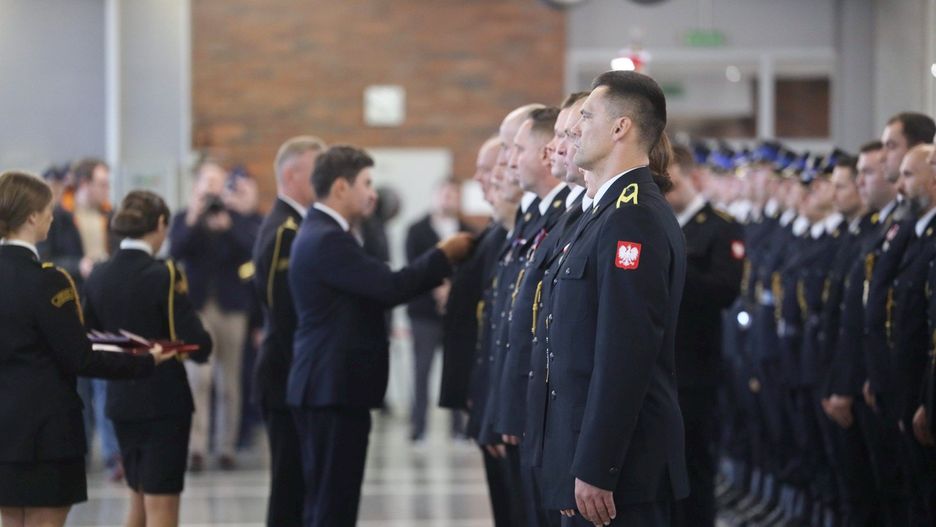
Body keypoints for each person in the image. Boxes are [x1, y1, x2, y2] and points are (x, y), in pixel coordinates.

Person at [286, 145, 473, 527]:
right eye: (366, 184)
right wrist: (444, 254)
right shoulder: (327, 238)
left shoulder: (332, 233)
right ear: (341, 187)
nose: (373, 194)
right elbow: (389, 286)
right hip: (330, 387)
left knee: (331, 501)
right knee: (331, 506)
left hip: (332, 386)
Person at [537, 70, 688, 526]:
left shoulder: (633, 216)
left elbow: (625, 353)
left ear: (621, 127)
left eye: (586, 117)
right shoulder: (602, 213)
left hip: (620, 470)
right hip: (589, 456)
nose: (575, 130)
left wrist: (597, 465)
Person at [0, 171, 172, 527]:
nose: (52, 216)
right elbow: (80, 356)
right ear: (31, 217)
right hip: (45, 431)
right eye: (47, 209)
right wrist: (144, 361)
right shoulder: (48, 281)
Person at [83, 190, 213, 527]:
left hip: (121, 400)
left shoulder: (98, 273)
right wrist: (199, 344)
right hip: (164, 400)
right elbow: (196, 341)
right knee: (162, 505)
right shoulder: (165, 274)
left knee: (137, 499)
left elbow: (89, 337)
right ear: (160, 224)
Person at [665, 144, 744, 527]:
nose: (667, 192)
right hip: (661, 366)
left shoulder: (720, 227)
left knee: (695, 462)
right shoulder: (658, 225)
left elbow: (725, 290)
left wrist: (676, 265)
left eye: (673, 182)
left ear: (692, 177)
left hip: (697, 365)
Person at [251, 135, 326, 526]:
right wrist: (306, 374)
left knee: (300, 482)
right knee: (290, 484)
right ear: (292, 174)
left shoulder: (299, 224)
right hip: (286, 373)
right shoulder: (286, 230)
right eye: (317, 171)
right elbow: (284, 313)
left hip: (290, 372)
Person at [440, 136, 513, 526]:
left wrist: (496, 409)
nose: (481, 179)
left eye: (488, 169)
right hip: (488, 398)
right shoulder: (493, 233)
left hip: (502, 405)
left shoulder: (511, 234)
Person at [169, 160, 260, 471]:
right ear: (196, 186)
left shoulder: (237, 217)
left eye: (217, 182)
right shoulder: (185, 217)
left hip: (231, 306)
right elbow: (175, 251)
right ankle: (196, 447)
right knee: (199, 377)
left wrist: (228, 227)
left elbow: (250, 253)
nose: (212, 188)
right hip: (196, 308)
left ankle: (226, 447)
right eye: (207, 182)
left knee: (229, 381)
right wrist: (195, 217)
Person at [405, 177, 468, 443]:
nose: (448, 199)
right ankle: (419, 428)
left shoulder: (467, 231)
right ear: (435, 196)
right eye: (444, 194)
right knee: (422, 370)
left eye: (453, 195)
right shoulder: (417, 230)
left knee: (456, 370)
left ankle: (459, 429)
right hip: (424, 313)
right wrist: (438, 288)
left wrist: (452, 290)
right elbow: (414, 266)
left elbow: (471, 269)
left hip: (456, 314)